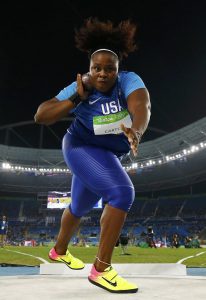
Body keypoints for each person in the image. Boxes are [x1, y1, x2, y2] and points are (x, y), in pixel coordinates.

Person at [34, 18, 151, 293]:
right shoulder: (81, 86)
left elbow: (141, 105)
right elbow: (41, 115)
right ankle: (101, 270)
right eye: (96, 68)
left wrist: (136, 130)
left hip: (108, 155)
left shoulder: (128, 82)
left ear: (118, 70)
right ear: (89, 69)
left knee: (79, 207)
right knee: (122, 193)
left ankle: (59, 250)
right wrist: (76, 98)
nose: (102, 74)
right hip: (80, 147)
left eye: (109, 69)